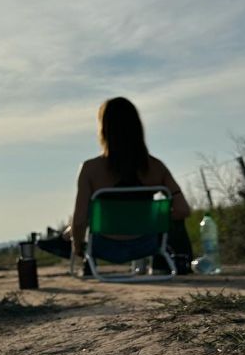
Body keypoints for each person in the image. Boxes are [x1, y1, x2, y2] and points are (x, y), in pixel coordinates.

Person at [40, 97, 193, 273]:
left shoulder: (90, 169)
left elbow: (80, 220)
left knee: (87, 215)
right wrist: (150, 218)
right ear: (138, 128)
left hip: (103, 247)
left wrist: (79, 249)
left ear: (103, 129)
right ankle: (174, 261)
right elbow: (183, 210)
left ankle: (81, 256)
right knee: (172, 218)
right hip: (146, 245)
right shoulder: (156, 168)